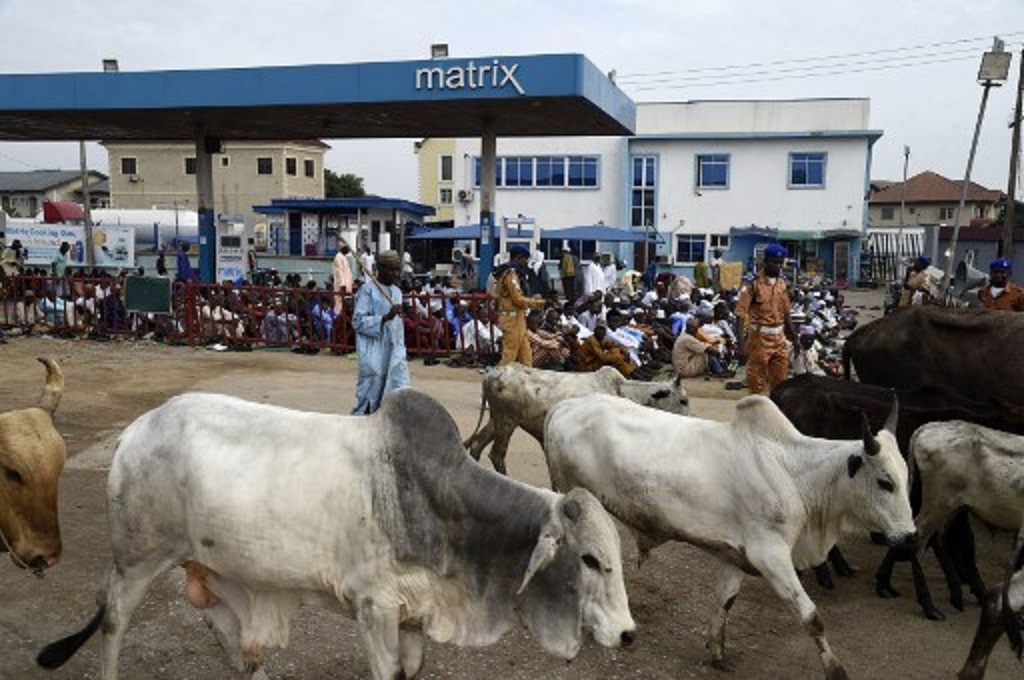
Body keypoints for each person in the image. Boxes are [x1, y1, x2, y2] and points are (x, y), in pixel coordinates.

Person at [351, 250, 410, 414]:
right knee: (372, 392)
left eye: (397, 269)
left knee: (399, 388)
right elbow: (358, 322)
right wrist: (384, 318)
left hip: (395, 351)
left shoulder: (397, 292)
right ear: (380, 269)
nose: (395, 274)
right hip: (374, 351)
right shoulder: (367, 291)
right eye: (391, 269)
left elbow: (398, 326)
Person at [735, 243, 794, 394]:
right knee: (756, 384)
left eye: (780, 263)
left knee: (780, 383)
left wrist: (794, 338)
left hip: (779, 339)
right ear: (765, 261)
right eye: (774, 262)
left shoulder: (782, 283)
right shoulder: (752, 284)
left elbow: (786, 313)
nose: (778, 266)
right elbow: (740, 315)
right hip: (759, 339)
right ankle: (754, 415)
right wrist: (741, 346)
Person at [495, 244, 545, 366]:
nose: (526, 263)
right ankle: (500, 382)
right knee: (509, 355)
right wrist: (536, 303)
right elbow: (517, 300)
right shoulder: (509, 274)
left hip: (519, 318)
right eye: (525, 259)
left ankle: (528, 381)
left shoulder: (516, 274)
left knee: (526, 355)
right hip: (511, 320)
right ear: (518, 258)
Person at [332, 242, 355, 314]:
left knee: (346, 305)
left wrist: (351, 283)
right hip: (341, 286)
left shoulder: (344, 257)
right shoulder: (338, 257)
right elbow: (339, 272)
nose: (348, 251)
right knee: (339, 304)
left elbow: (347, 272)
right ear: (343, 249)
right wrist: (342, 285)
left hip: (347, 286)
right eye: (347, 249)